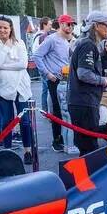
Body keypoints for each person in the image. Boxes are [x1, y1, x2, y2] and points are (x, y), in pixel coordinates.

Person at [0, 16, 33, 164]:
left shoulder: (19, 43)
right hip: (3, 88)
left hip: (22, 87)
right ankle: (7, 152)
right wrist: (5, 50)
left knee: (25, 121)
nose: (2, 30)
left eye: (5, 27)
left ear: (11, 28)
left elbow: (23, 64)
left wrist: (3, 65)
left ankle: (28, 151)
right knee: (6, 122)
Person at [68, 11, 107, 155]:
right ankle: (85, 177)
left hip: (83, 101)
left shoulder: (87, 43)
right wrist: (105, 80)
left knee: (88, 146)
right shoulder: (88, 45)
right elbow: (84, 74)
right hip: (84, 102)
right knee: (89, 148)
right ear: (96, 26)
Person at [33, 14, 76, 153]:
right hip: (56, 80)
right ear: (61, 24)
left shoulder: (66, 40)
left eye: (72, 24)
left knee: (66, 110)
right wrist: (47, 74)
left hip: (66, 79)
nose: (71, 27)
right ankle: (57, 140)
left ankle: (65, 138)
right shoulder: (52, 39)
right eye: (68, 24)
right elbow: (37, 56)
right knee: (57, 110)